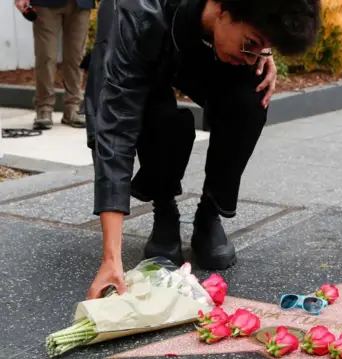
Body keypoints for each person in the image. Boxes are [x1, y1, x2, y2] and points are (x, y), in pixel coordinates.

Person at [84, 0, 320, 299]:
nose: (252, 56)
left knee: (252, 87)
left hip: (196, 38)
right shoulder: (134, 13)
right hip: (151, 42)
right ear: (222, 7)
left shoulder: (239, 26)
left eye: (261, 48)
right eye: (251, 44)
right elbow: (115, 126)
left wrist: (261, 50)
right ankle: (164, 211)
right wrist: (111, 259)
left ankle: (209, 215)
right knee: (153, 113)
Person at [14, 0, 93, 130]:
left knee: (76, 57)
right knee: (46, 56)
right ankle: (44, 109)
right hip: (45, 5)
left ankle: (73, 108)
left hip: (80, 4)